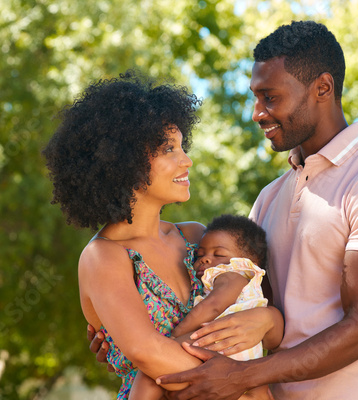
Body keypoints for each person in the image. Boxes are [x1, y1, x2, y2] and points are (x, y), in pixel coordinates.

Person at [154, 21, 358, 399]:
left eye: (270, 97)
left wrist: (242, 375)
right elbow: (242, 298)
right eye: (256, 98)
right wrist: (132, 324)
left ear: (322, 88)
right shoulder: (269, 196)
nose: (257, 113)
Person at [43, 70, 283, 400]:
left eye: (182, 146)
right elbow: (147, 351)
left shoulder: (198, 239)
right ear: (123, 159)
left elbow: (255, 305)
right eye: (169, 149)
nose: (187, 160)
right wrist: (241, 385)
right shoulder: (104, 257)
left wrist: (267, 318)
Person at [129, 214, 283, 399]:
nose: (205, 259)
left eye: (218, 254)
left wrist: (174, 337)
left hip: (222, 339)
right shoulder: (244, 285)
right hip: (241, 352)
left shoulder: (233, 274)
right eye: (200, 254)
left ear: (247, 261)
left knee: (151, 371)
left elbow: (213, 308)